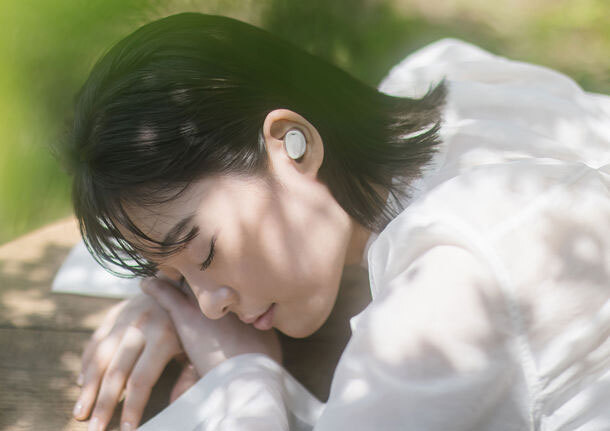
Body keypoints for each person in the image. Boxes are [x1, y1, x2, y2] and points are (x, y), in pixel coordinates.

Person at [56, 12, 610, 431]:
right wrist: (166, 294)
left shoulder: (450, 287)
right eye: (179, 276)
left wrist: (239, 376)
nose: (209, 308)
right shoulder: (441, 91)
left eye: (206, 252)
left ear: (292, 146)